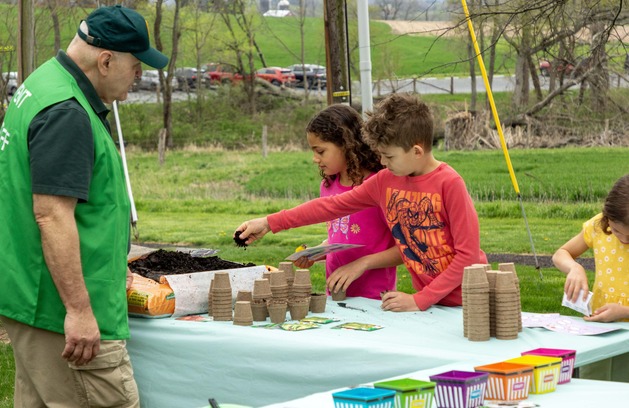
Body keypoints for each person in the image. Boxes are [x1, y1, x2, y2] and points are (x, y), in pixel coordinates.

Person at [0, 5, 167, 407]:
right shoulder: (67, 113)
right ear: (106, 60)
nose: (139, 76)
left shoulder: (43, 83)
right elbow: (52, 214)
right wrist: (78, 310)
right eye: (136, 66)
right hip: (62, 312)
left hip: (31, 298)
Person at [236, 93, 487, 312]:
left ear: (417, 151)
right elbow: (329, 207)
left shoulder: (449, 184)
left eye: (388, 156)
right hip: (434, 304)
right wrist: (270, 222)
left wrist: (420, 300)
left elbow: (467, 257)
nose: (383, 163)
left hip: (472, 299)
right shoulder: (385, 182)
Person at [293, 104, 397, 300]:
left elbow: (405, 250)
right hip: (336, 296)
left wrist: (362, 263)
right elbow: (340, 235)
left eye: (320, 151)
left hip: (374, 298)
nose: (315, 159)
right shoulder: (327, 186)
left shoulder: (378, 187)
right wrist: (316, 252)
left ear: (346, 145)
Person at [552, 174, 629, 382]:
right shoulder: (597, 227)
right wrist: (574, 268)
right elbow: (561, 254)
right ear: (606, 218)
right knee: (594, 386)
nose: (622, 240)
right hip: (600, 333)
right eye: (616, 231)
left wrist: (623, 312)